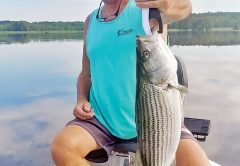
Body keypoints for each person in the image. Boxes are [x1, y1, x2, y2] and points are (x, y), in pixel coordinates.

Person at [51, 0, 210, 165]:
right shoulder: (90, 21)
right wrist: (81, 99)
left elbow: (183, 8)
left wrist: (165, 3)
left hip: (159, 119)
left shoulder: (145, 8)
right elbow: (86, 74)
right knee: (62, 148)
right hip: (102, 117)